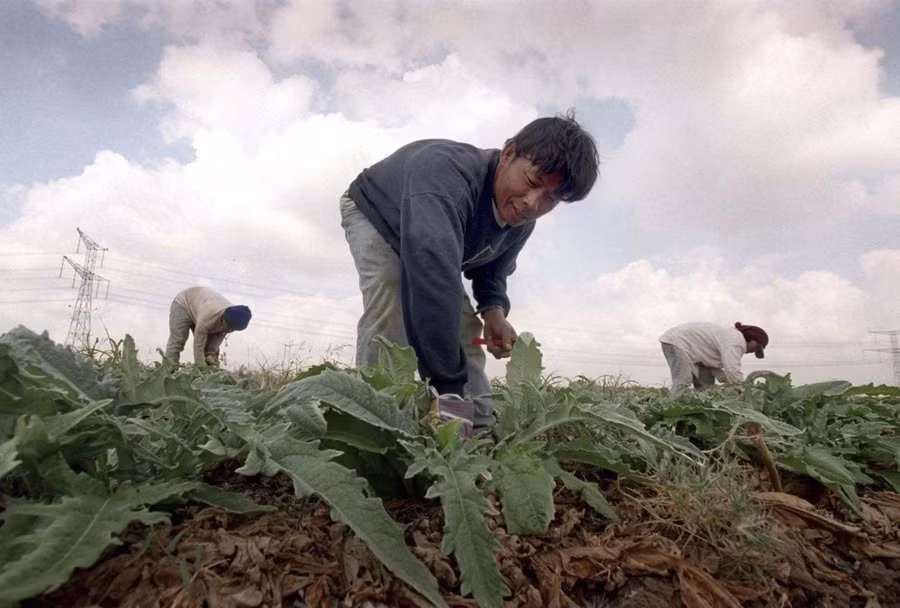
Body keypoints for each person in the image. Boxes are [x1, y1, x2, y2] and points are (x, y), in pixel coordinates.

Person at [340, 111, 600, 437]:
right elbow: (432, 271)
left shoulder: (520, 221)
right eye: (533, 182)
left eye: (552, 198)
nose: (532, 203)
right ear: (508, 153)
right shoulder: (446, 176)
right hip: (376, 212)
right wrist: (447, 388)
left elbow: (492, 270)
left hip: (432, 243)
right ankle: (374, 420)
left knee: (464, 324)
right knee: (393, 290)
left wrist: (494, 313)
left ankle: (477, 429)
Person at [659, 321, 769, 396]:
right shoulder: (736, 341)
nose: (754, 351)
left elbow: (717, 369)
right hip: (677, 341)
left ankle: (701, 414)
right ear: (751, 337)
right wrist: (745, 392)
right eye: (757, 347)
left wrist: (727, 380)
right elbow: (732, 370)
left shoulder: (730, 340)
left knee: (706, 386)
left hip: (696, 350)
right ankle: (670, 413)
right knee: (683, 379)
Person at [164, 286, 252, 367]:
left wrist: (211, 354)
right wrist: (202, 369)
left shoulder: (235, 315)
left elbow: (216, 342)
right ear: (224, 319)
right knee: (178, 341)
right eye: (228, 327)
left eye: (232, 329)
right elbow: (198, 347)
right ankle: (168, 371)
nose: (229, 330)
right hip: (183, 303)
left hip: (201, 307)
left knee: (210, 354)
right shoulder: (207, 318)